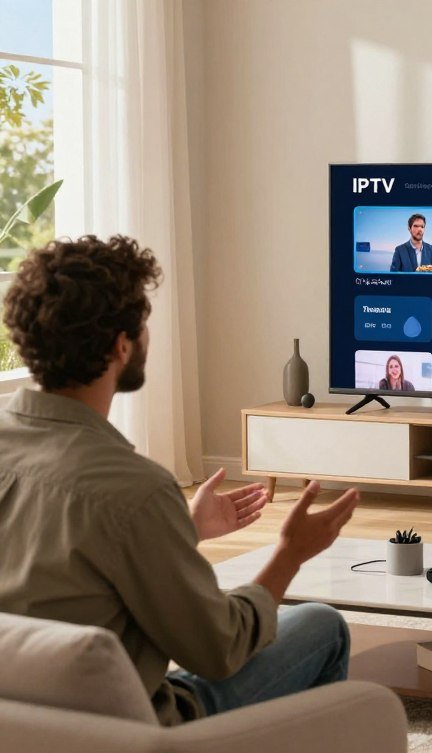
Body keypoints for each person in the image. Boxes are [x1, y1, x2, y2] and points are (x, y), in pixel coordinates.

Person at [0, 235, 360, 726]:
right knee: (322, 625)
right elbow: (219, 650)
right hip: (131, 730)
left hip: (26, 724)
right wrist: (289, 554)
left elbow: (51, 569)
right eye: (144, 322)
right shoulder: (134, 489)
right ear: (121, 346)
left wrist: (180, 531)